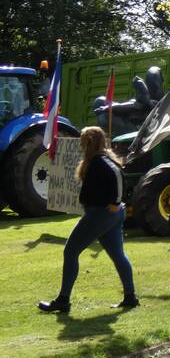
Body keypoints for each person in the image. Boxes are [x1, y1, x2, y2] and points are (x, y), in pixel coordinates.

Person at [38, 126, 138, 313]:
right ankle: (130, 297)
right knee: (118, 255)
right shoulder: (102, 159)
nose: (81, 145)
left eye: (83, 141)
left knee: (70, 251)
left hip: (101, 214)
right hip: (107, 214)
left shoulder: (101, 161)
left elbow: (117, 177)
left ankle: (63, 300)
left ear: (89, 142)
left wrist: (116, 202)